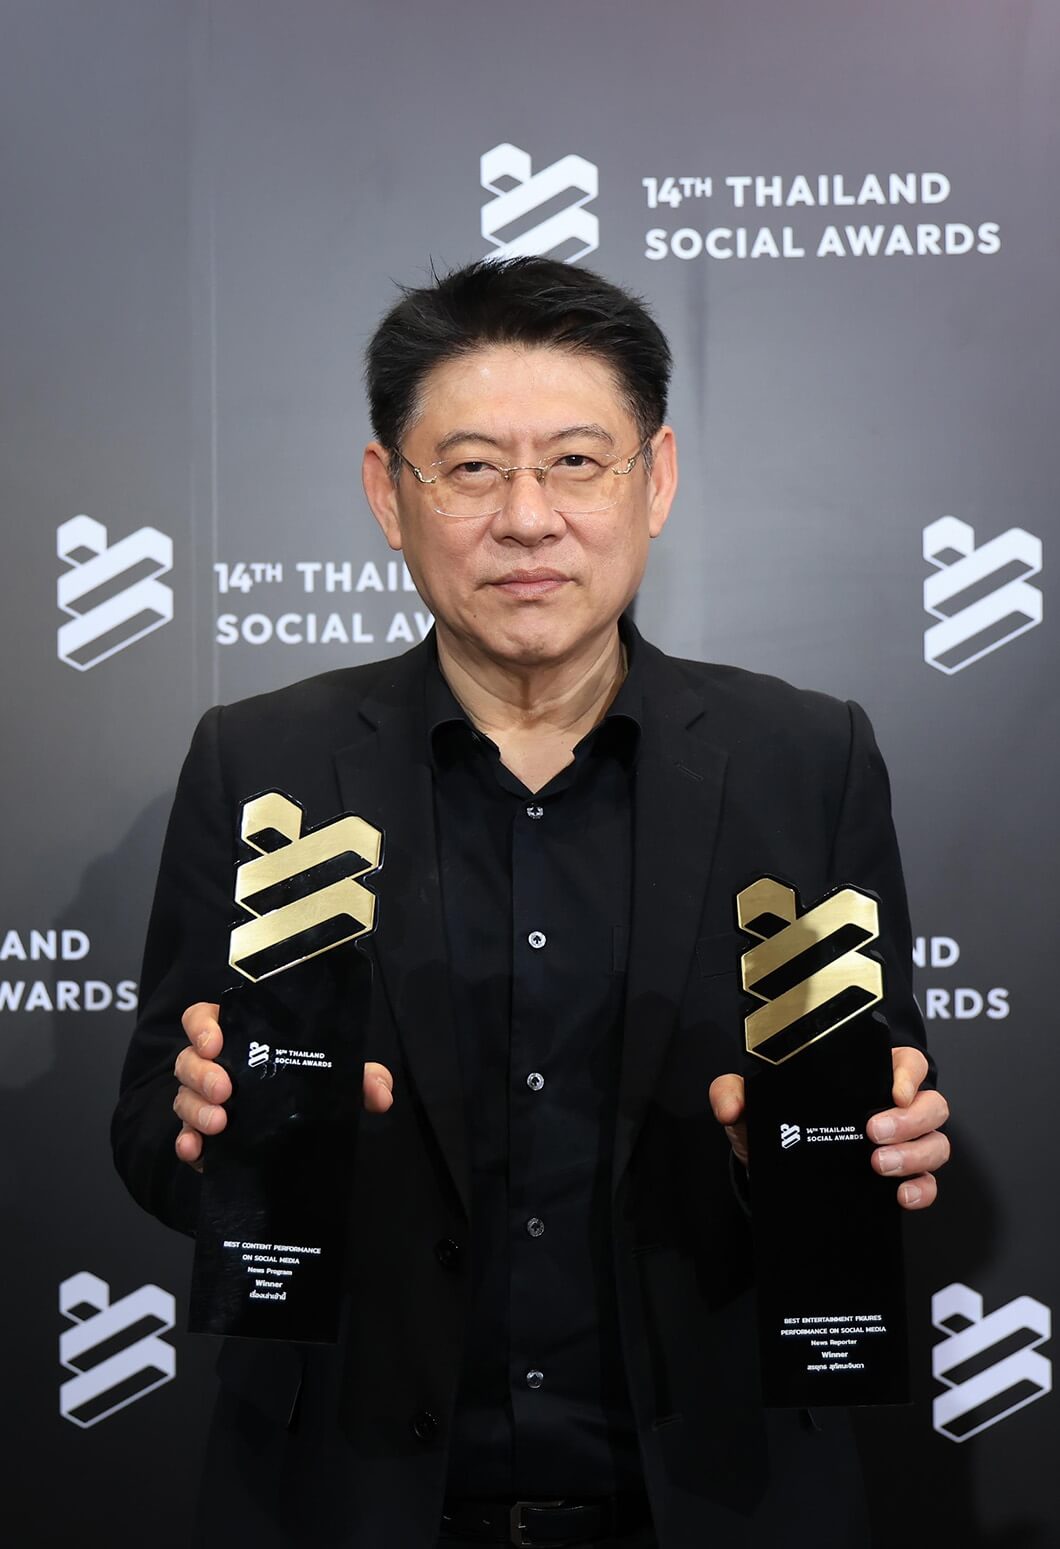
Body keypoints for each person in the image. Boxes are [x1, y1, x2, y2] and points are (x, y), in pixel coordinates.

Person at [112, 257, 950, 1549]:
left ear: (654, 480)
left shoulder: (805, 759)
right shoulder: (263, 761)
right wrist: (214, 1136)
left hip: (718, 1502)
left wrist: (846, 1151)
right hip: (350, 1503)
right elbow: (148, 1129)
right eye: (470, 468)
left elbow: (883, 1097)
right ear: (388, 492)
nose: (526, 518)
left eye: (575, 462)